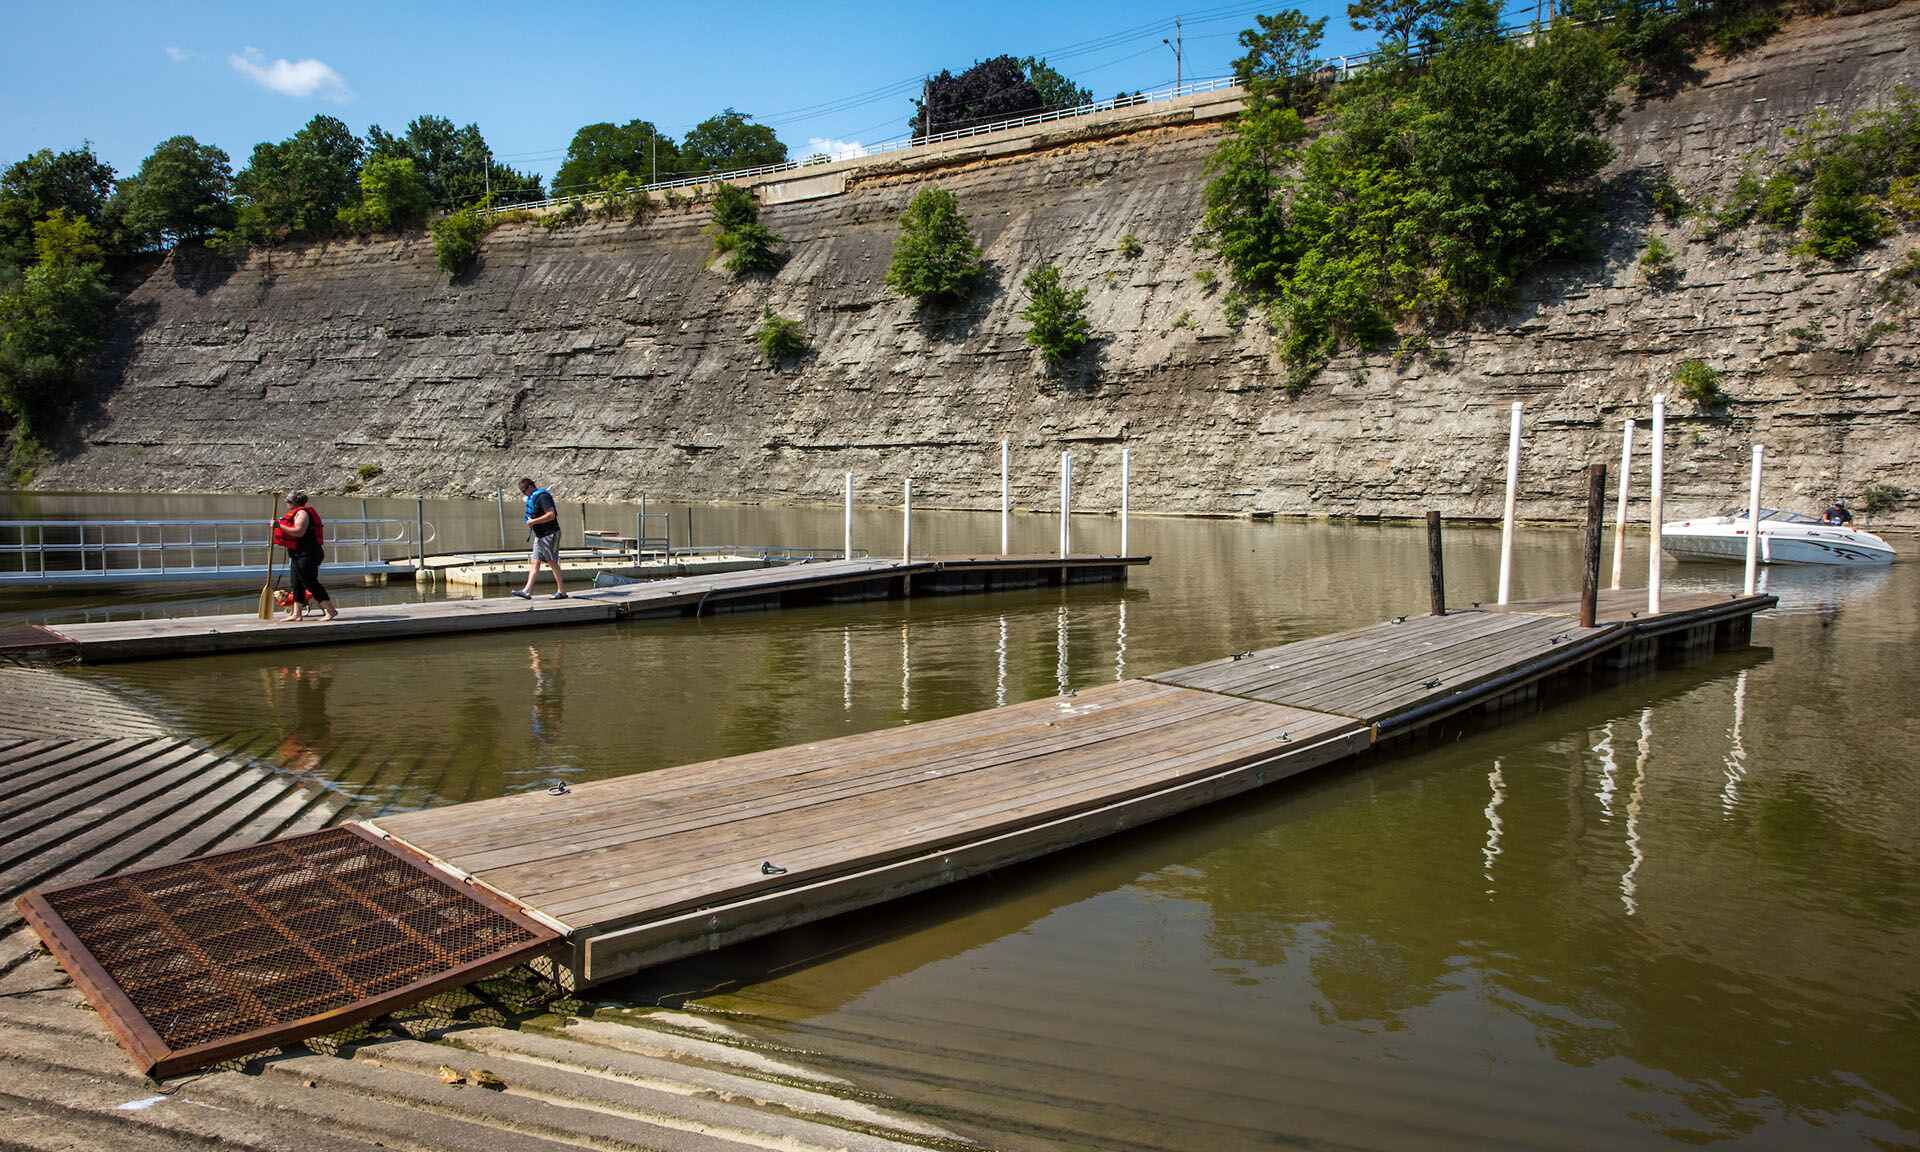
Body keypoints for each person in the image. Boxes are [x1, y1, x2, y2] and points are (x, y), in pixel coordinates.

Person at [273, 492, 337, 621]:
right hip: (298, 553)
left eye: (288, 501)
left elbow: (299, 532)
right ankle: (297, 614)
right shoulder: (297, 512)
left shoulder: (302, 513)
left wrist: (279, 525)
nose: (286, 503)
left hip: (308, 553)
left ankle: (331, 610)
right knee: (296, 583)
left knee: (310, 582)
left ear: (294, 503)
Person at [512, 477, 567, 600]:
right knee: (535, 562)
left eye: (524, 491)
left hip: (550, 534)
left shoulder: (543, 497)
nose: (524, 494)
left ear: (530, 487)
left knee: (552, 562)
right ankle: (527, 591)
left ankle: (562, 591)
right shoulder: (533, 498)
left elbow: (551, 515)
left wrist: (533, 521)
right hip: (540, 535)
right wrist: (532, 522)